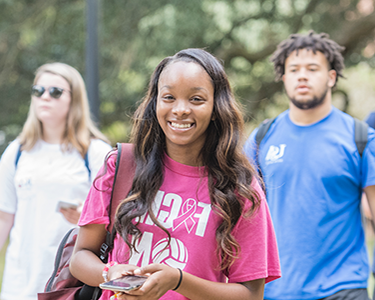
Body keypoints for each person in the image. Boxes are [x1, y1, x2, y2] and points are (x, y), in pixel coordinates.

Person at [69, 48, 281, 300]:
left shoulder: (240, 188)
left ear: (216, 107)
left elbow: (250, 295)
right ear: (155, 102)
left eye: (196, 99)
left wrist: (178, 281)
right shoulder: (121, 166)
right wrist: (110, 273)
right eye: (168, 97)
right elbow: (80, 257)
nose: (180, 110)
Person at [244, 31, 375, 300]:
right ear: (283, 78)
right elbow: (240, 214)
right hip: (273, 290)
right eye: (294, 69)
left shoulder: (360, 138)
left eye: (313, 68)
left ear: (331, 77)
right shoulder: (261, 138)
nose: (302, 76)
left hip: (344, 288)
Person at [0, 62, 112, 300]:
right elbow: (4, 217)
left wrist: (86, 217)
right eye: (38, 91)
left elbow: (113, 218)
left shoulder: (94, 152)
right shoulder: (17, 152)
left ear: (74, 99)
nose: (45, 97)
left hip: (70, 283)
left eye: (55, 91)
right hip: (19, 282)